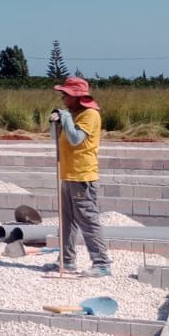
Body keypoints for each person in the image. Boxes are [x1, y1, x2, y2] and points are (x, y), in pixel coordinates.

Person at [49, 76, 109, 277]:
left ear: (77, 96)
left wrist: (65, 118)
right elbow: (57, 138)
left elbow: (76, 139)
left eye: (66, 95)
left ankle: (101, 263)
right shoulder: (74, 114)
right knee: (67, 221)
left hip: (82, 175)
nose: (63, 98)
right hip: (68, 173)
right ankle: (67, 260)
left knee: (87, 219)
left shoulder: (90, 115)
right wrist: (58, 122)